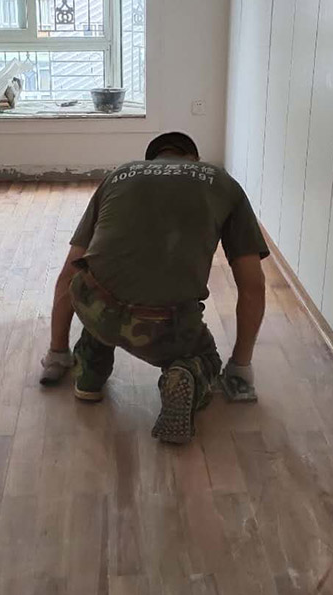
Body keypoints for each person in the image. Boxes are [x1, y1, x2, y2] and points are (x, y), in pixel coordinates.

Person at [39, 132, 269, 444]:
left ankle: (88, 377)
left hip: (98, 307)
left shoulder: (120, 175)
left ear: (152, 161)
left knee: (97, 291)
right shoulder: (222, 183)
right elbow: (253, 285)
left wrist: (57, 353)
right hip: (166, 326)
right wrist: (240, 368)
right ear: (194, 159)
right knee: (205, 359)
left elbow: (70, 271)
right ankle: (185, 375)